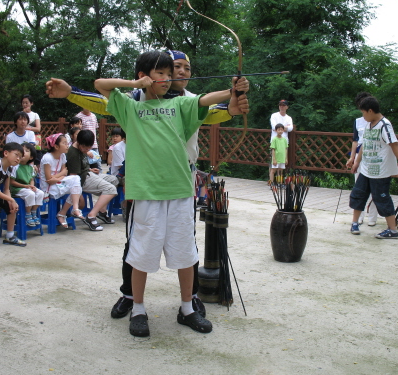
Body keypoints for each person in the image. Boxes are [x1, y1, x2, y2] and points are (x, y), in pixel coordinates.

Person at [45, 50, 249, 322]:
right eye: (172, 68)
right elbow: (101, 96)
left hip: (179, 182)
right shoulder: (134, 101)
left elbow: (215, 108)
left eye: (185, 68)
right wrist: (71, 92)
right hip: (146, 186)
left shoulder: (185, 103)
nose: (179, 73)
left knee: (185, 247)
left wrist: (234, 98)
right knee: (138, 246)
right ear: (147, 75)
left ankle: (189, 301)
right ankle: (132, 298)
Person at [350, 96, 398, 239]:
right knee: (358, 194)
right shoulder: (368, 125)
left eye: (363, 113)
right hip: (366, 169)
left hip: (380, 171)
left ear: (370, 110)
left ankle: (392, 230)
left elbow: (394, 145)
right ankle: (354, 223)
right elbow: (364, 146)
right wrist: (356, 161)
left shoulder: (385, 125)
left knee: (381, 198)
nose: (363, 116)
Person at [66, 129, 118, 230]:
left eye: (88, 148)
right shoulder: (73, 153)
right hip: (82, 180)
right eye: (85, 148)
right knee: (111, 189)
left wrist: (89, 169)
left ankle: (102, 212)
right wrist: (78, 195)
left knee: (114, 180)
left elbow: (81, 166)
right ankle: (91, 216)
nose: (86, 150)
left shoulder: (82, 147)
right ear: (79, 142)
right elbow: (73, 177)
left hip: (88, 174)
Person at [346, 92, 378, 226]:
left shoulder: (379, 122)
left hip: (374, 156)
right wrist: (352, 157)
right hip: (359, 154)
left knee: (375, 187)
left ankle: (373, 217)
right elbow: (355, 140)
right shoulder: (358, 121)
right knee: (359, 187)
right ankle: (359, 216)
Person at [39, 133, 84, 228]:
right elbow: (49, 180)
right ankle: (65, 212)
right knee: (75, 186)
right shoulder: (47, 158)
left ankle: (72, 209)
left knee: (76, 181)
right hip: (48, 188)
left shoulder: (62, 156)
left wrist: (56, 177)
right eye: (64, 143)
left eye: (67, 143)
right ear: (56, 146)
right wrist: (60, 175)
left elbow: (65, 172)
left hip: (57, 183)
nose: (67, 145)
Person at [10, 143, 44, 226]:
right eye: (22, 150)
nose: (23, 152)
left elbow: (31, 179)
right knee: (30, 194)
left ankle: (33, 212)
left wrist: (32, 186)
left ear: (31, 157)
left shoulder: (30, 167)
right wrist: (26, 186)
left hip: (27, 188)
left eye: (26, 151)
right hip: (16, 189)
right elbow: (12, 182)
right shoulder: (15, 166)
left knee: (40, 193)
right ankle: (28, 215)